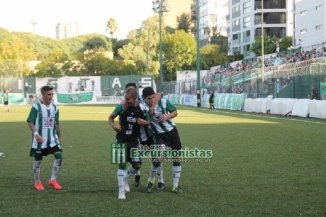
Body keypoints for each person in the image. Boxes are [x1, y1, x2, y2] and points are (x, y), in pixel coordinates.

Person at [108, 88, 149, 199]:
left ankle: (125, 178)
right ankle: (121, 191)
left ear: (135, 98)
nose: (125, 101)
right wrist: (113, 126)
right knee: (121, 164)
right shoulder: (121, 106)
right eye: (125, 98)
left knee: (137, 164)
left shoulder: (142, 109)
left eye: (128, 99)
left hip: (134, 141)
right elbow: (110, 118)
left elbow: (151, 121)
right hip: (121, 140)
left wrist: (146, 122)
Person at [123, 83, 165, 189]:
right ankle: (124, 178)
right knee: (137, 163)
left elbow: (158, 94)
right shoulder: (128, 104)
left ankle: (160, 181)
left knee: (156, 159)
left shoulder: (144, 102)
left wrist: (153, 106)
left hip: (152, 137)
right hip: (138, 139)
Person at [142, 87, 183, 194]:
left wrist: (167, 116)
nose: (151, 99)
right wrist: (150, 114)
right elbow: (147, 122)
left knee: (177, 158)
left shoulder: (164, 102)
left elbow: (175, 112)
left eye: (153, 97)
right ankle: (151, 179)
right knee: (157, 160)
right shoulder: (144, 108)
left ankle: (175, 186)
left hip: (173, 132)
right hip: (160, 136)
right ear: (144, 99)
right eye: (148, 98)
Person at [27, 86, 63, 191]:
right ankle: (37, 182)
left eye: (52, 94)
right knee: (38, 161)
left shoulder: (55, 108)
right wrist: (36, 134)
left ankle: (53, 180)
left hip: (52, 139)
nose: (51, 96)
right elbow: (30, 122)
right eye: (49, 94)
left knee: (59, 156)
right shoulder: (36, 107)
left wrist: (60, 136)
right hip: (39, 140)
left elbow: (57, 124)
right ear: (43, 95)